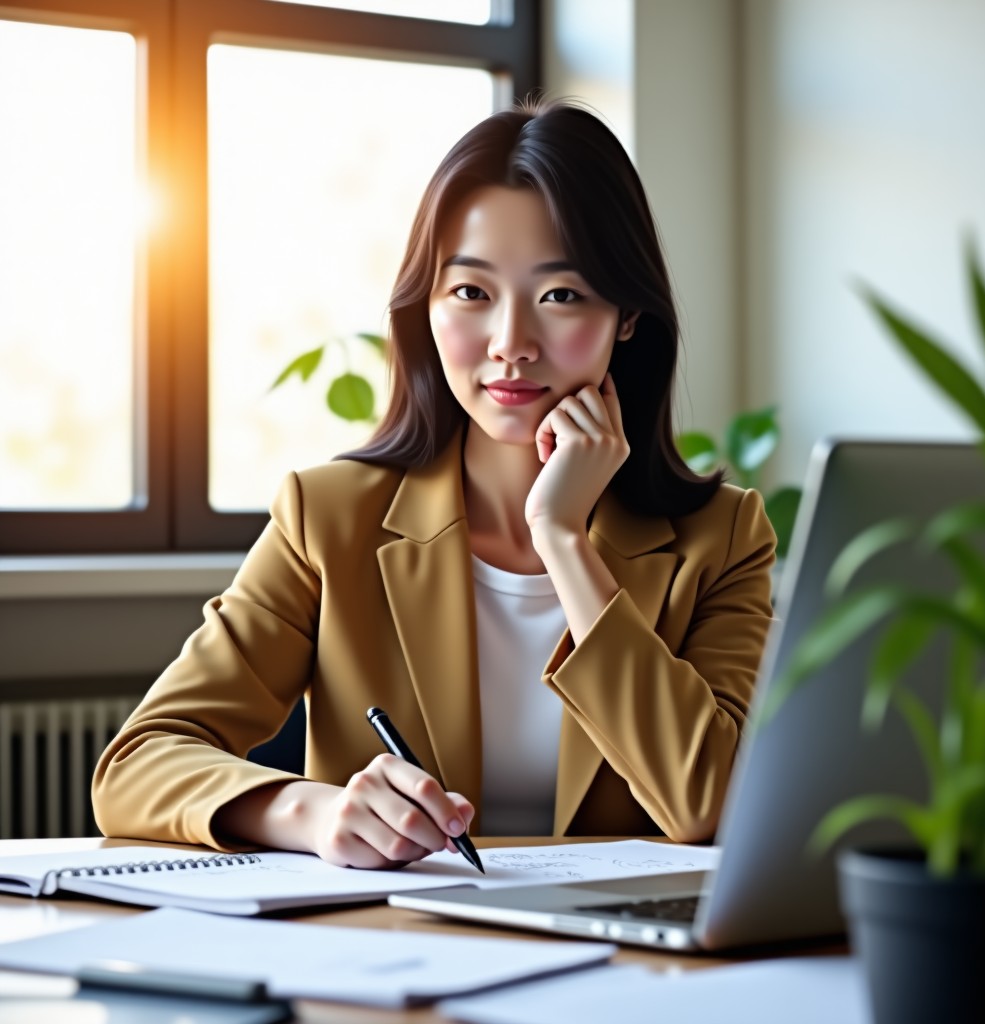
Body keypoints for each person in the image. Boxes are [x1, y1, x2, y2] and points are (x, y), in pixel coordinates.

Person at [92, 98, 776, 869]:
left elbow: (710, 804)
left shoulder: (721, 537)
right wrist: (313, 812)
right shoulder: (329, 517)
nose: (511, 344)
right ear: (426, 305)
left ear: (626, 315)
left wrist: (563, 541)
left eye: (561, 295)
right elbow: (138, 764)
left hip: (628, 962)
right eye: (471, 293)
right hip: (398, 952)